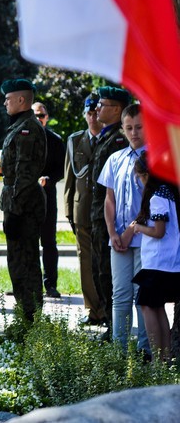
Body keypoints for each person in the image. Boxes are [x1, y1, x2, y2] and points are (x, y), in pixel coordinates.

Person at [97, 103, 150, 356]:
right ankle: (120, 352)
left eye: (139, 127)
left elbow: (153, 200)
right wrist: (112, 232)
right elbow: (110, 199)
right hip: (118, 239)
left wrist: (131, 230)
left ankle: (144, 349)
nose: (134, 133)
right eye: (129, 128)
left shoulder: (155, 160)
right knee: (120, 294)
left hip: (147, 238)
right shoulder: (115, 159)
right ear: (122, 129)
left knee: (143, 295)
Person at [0, 79, 46, 322]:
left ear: (21, 100)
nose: (5, 102)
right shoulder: (19, 126)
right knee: (18, 263)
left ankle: (30, 320)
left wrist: (15, 211)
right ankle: (26, 317)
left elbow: (25, 175)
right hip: (18, 204)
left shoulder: (27, 128)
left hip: (24, 207)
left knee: (25, 264)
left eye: (8, 98)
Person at [90, 86, 131, 340]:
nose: (96, 109)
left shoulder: (118, 138)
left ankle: (114, 327)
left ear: (116, 109)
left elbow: (114, 188)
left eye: (102, 104)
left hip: (109, 219)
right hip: (98, 215)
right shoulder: (105, 136)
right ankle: (110, 324)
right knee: (99, 270)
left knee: (108, 272)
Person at [131, 152, 180, 362]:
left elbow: (159, 231)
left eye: (141, 177)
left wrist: (138, 228)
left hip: (159, 263)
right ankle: (165, 359)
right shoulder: (168, 193)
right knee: (155, 306)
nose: (140, 182)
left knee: (146, 305)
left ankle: (158, 358)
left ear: (148, 175)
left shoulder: (157, 197)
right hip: (166, 263)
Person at [64, 93, 106, 326]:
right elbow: (70, 180)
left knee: (104, 264)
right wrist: (69, 212)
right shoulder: (74, 140)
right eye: (88, 113)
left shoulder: (113, 139)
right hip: (82, 211)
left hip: (104, 213)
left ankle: (107, 308)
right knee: (86, 262)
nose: (92, 117)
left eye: (95, 112)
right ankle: (93, 310)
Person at [31, 102, 66, 298]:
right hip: (26, 198)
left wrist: (49, 179)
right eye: (35, 115)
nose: (39, 119)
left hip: (47, 196)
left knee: (48, 242)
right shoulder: (22, 136)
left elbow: (62, 168)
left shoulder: (55, 140)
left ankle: (50, 284)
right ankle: (27, 284)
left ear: (47, 117)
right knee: (27, 242)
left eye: (42, 115)